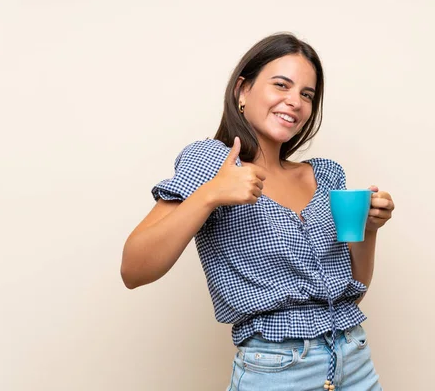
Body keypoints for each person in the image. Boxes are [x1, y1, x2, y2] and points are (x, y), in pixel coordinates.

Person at [121, 32, 394, 390]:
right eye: (282, 85)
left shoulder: (327, 175)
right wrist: (209, 195)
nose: (294, 101)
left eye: (306, 95)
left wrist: (369, 229)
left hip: (353, 358)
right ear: (242, 90)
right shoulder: (212, 163)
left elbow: (350, 292)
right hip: (277, 370)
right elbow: (133, 269)